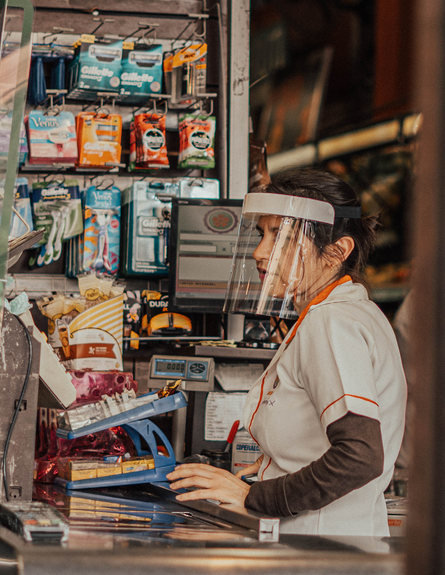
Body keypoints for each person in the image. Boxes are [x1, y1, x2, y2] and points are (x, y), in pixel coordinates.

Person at [167, 169, 406, 537]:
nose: (260, 252)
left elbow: (360, 456)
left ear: (337, 252)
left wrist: (256, 495)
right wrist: (276, 467)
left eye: (281, 237)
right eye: (263, 234)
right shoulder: (350, 312)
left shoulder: (332, 322)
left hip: (319, 550)